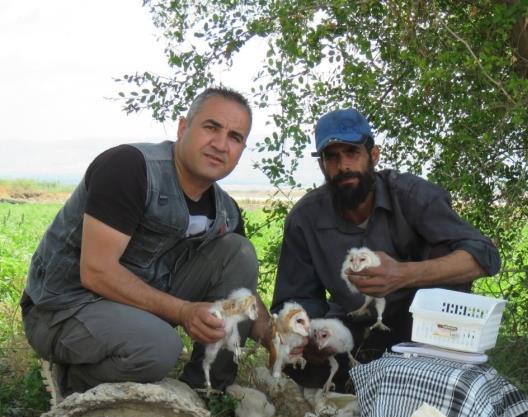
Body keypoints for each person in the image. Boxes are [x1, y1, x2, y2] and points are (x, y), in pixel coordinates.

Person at [20, 86, 276, 398]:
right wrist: (183, 311)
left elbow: (242, 295)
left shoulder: (225, 210)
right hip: (65, 307)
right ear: (183, 128)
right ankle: (73, 380)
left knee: (238, 251)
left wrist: (275, 334)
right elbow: (96, 271)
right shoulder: (130, 168)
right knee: (158, 349)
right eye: (212, 127)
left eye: (235, 137)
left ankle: (208, 389)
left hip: (137, 309)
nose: (221, 145)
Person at [271, 108, 501, 388]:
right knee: (298, 368)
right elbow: (297, 300)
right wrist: (304, 335)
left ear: (374, 155)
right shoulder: (304, 219)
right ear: (322, 165)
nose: (343, 166)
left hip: (421, 329)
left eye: (352, 152)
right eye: (332, 157)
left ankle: (430, 375)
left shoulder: (413, 196)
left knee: (447, 258)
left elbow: (484, 255)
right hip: (353, 328)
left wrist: (403, 274)